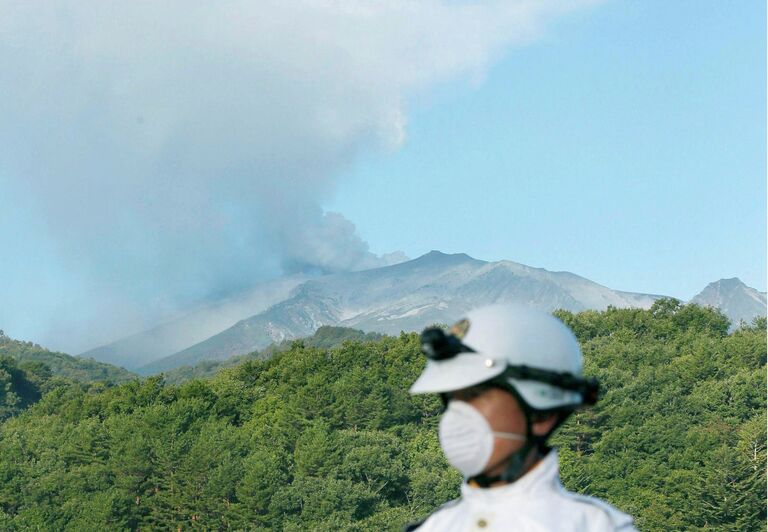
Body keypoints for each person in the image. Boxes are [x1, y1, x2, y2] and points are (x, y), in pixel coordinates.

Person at [406, 304, 636, 531]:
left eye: (476, 395)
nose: (457, 415)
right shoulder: (433, 527)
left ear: (542, 415)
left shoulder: (596, 526)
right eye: (452, 400)